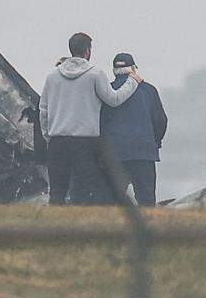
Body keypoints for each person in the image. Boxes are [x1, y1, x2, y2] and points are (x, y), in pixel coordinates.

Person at [40, 33, 143, 205]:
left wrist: (48, 136)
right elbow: (114, 99)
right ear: (88, 51)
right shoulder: (95, 74)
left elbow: (43, 110)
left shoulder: (52, 77)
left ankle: (56, 221)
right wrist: (132, 81)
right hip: (86, 143)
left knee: (57, 193)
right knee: (83, 192)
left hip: (58, 141)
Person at [100, 52, 168, 206]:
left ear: (114, 71)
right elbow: (160, 120)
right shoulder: (149, 90)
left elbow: (100, 123)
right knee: (146, 201)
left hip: (114, 154)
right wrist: (155, 142)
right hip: (143, 153)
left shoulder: (107, 91)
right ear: (133, 69)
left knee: (109, 203)